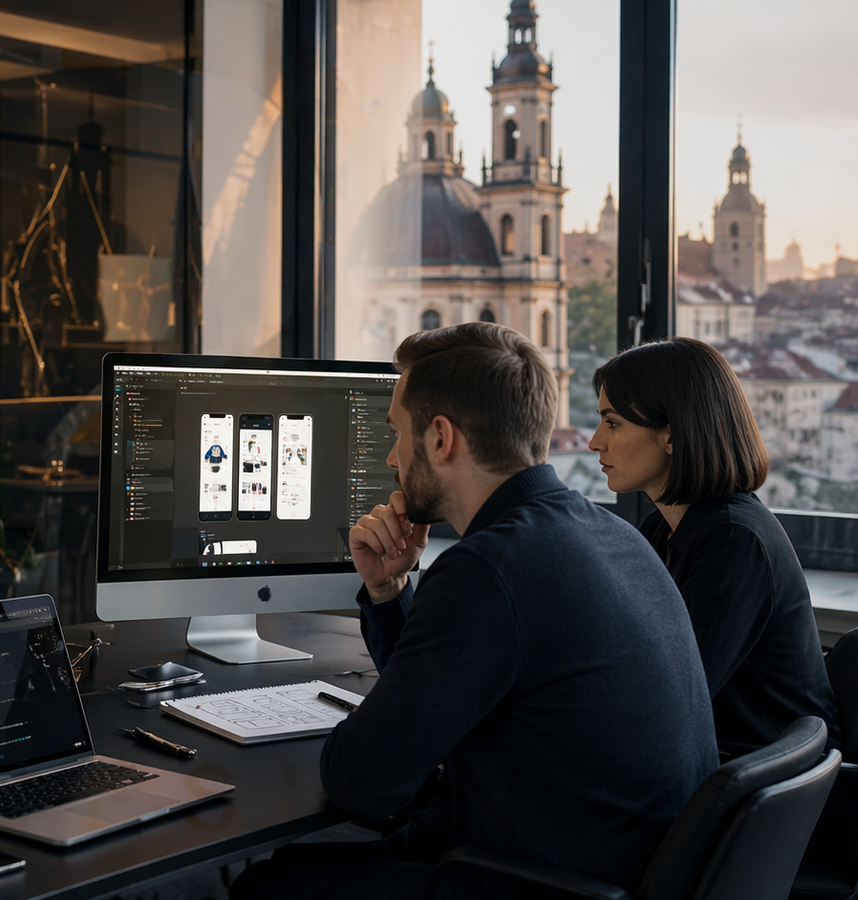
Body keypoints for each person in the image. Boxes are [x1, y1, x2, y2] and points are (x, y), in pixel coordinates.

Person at [230, 323, 717, 900]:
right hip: (619, 871)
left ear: (440, 438)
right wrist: (390, 592)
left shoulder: (490, 568)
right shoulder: (612, 534)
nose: (391, 456)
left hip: (535, 881)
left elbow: (363, 785)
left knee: (269, 883)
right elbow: (439, 697)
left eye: (397, 433)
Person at [590, 337, 839, 753]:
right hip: (715, 766)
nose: (596, 441)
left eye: (612, 423)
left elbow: (672, 696)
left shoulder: (734, 540)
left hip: (752, 785)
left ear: (670, 435)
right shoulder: (662, 530)